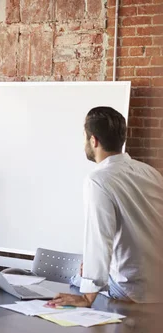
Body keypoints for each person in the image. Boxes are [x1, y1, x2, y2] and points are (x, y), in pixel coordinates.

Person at [48, 106, 163, 307]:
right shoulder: (150, 173)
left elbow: (100, 237)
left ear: (94, 141)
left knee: (76, 280)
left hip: (132, 289)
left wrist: (87, 296)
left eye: (84, 137)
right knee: (87, 271)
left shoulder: (98, 180)